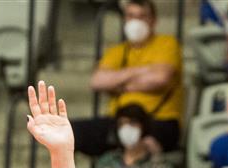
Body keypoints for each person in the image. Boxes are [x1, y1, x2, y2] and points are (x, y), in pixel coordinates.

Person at [77, 0, 184, 156]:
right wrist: (144, 69)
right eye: (131, 16)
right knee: (71, 133)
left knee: (144, 146)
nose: (136, 21)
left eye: (142, 16)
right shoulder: (117, 51)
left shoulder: (167, 44)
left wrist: (119, 83)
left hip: (158, 120)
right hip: (119, 120)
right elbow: (97, 81)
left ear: (153, 20)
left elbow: (160, 78)